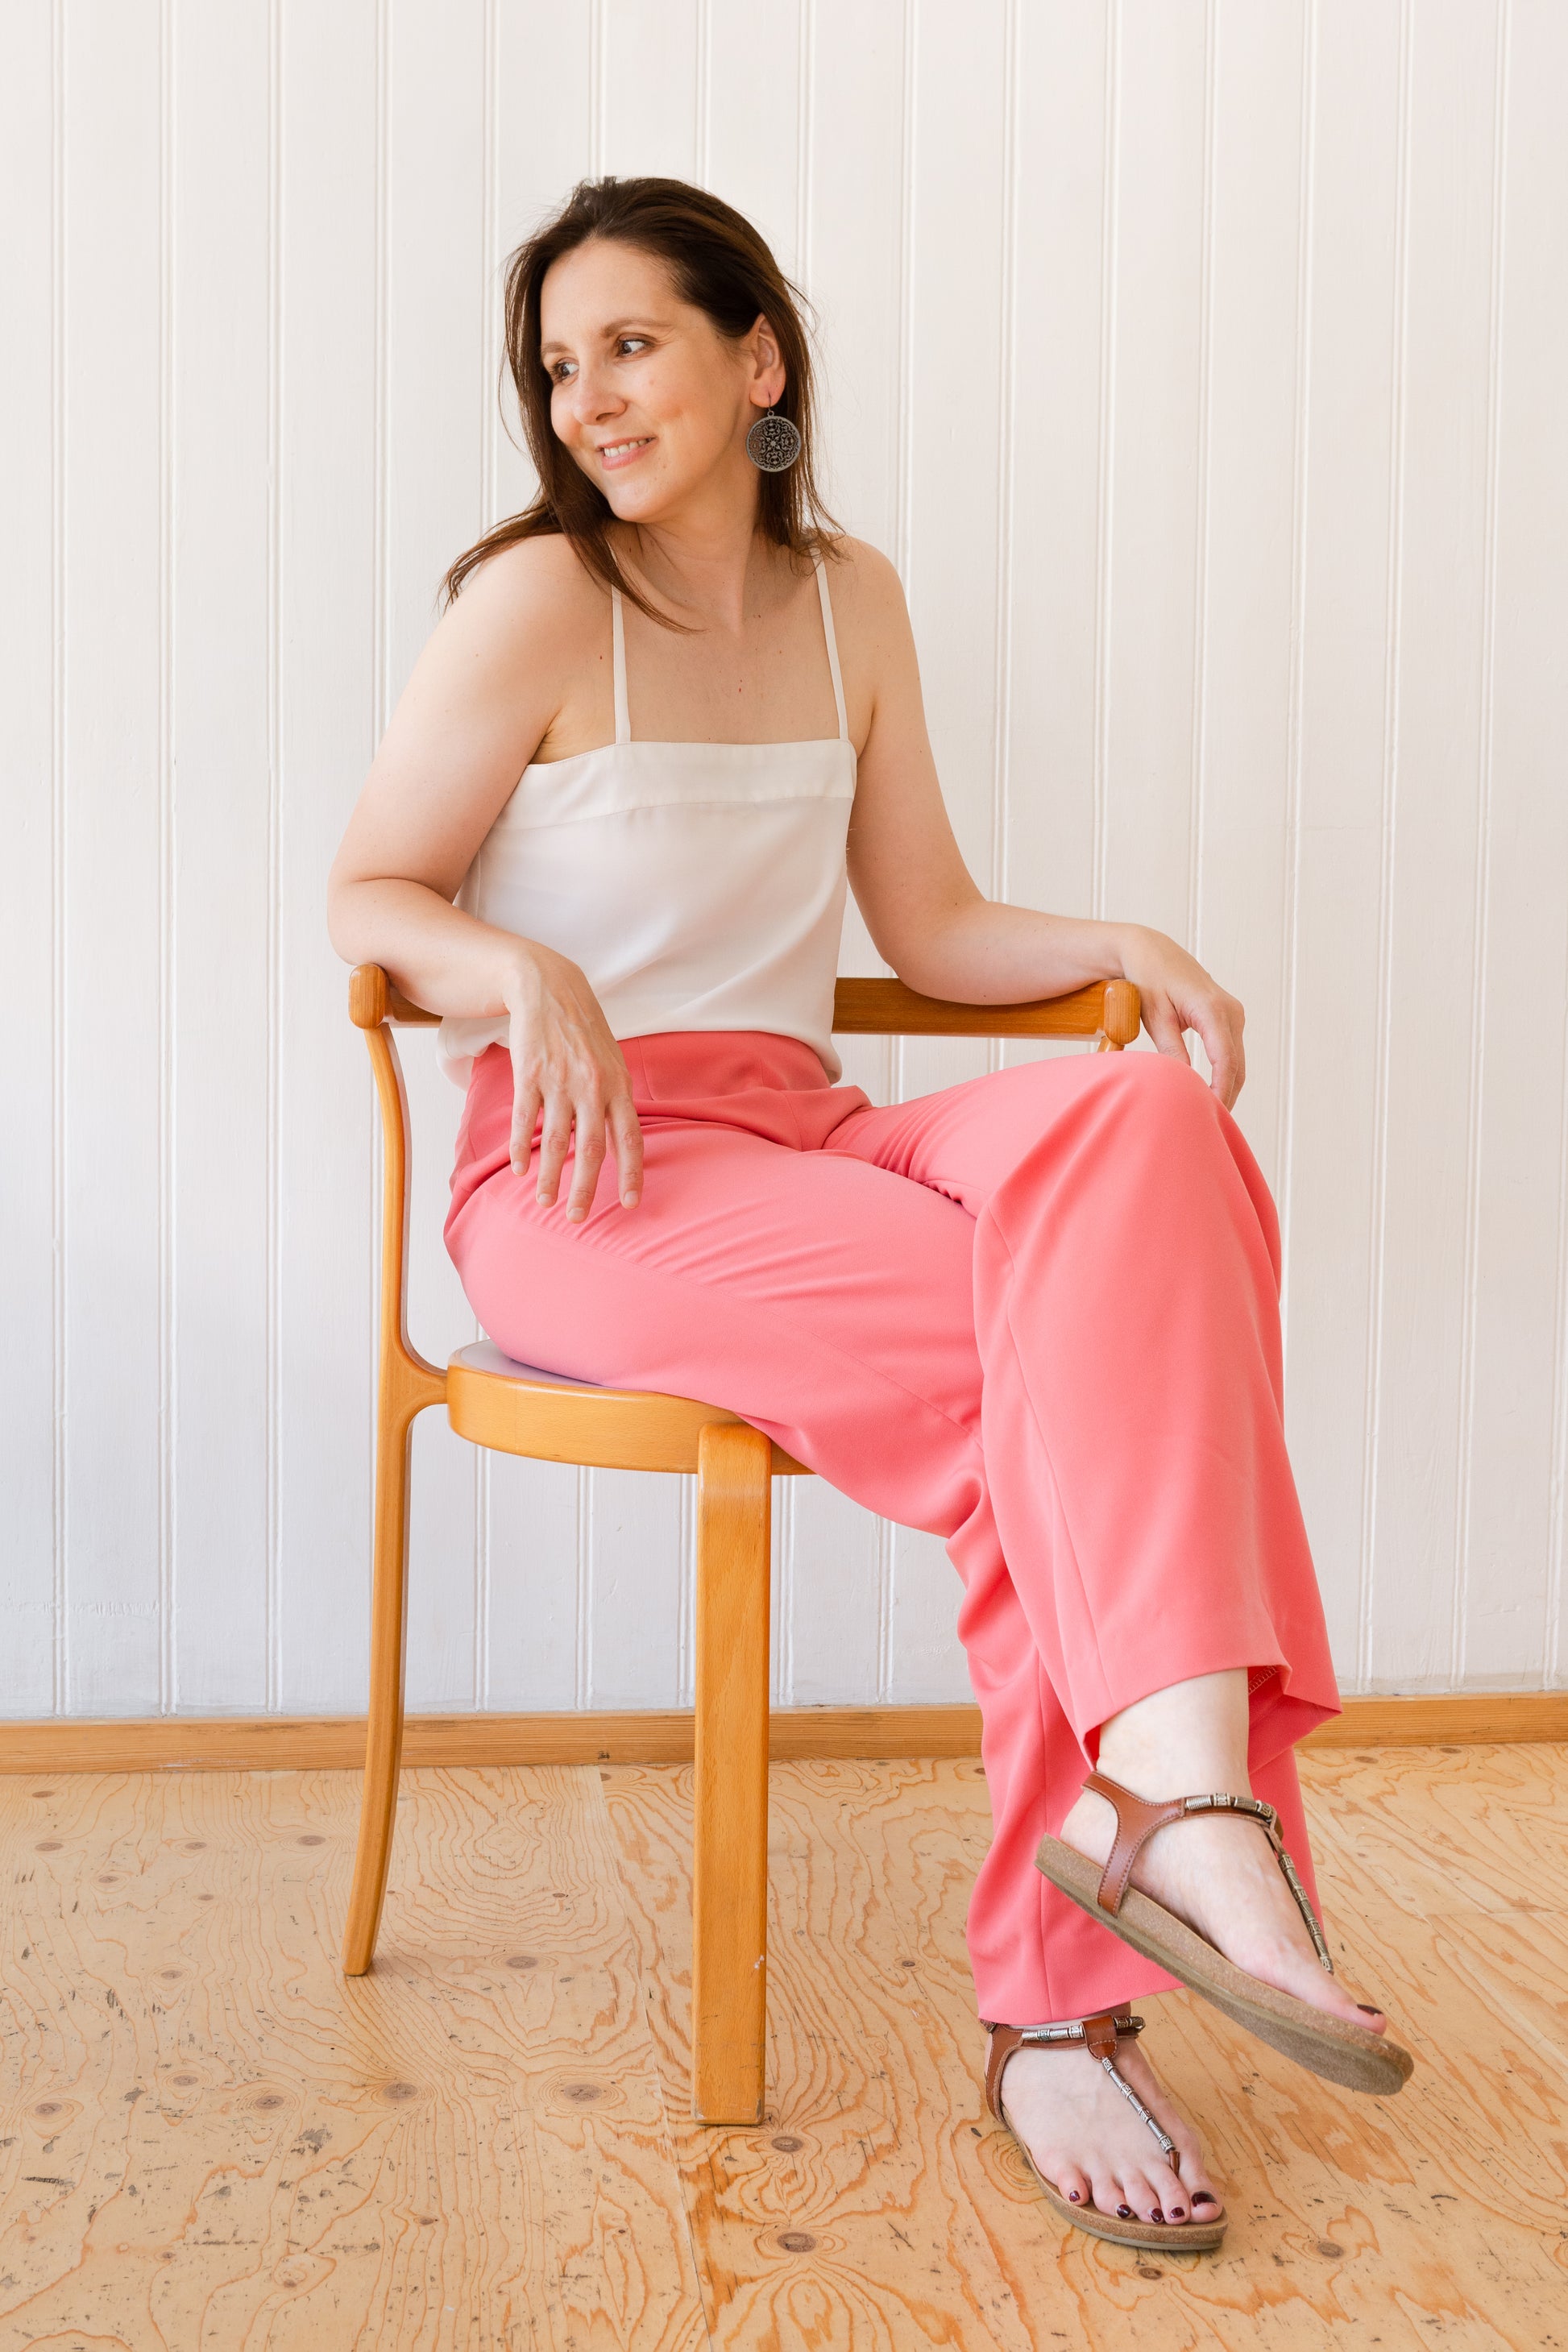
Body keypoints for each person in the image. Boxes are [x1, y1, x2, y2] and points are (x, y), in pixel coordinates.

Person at [327, 174, 1408, 2250]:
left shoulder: (857, 601)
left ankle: (1169, 1808)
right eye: (559, 367)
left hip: (799, 1131)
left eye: (632, 344)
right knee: (1058, 1376)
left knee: (1144, 1133)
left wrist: (1126, 938)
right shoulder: (537, 604)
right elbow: (372, 887)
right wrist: (517, 971)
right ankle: (1084, 1971)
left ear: (762, 357)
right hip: (588, 1175)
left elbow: (927, 923)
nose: (590, 400)